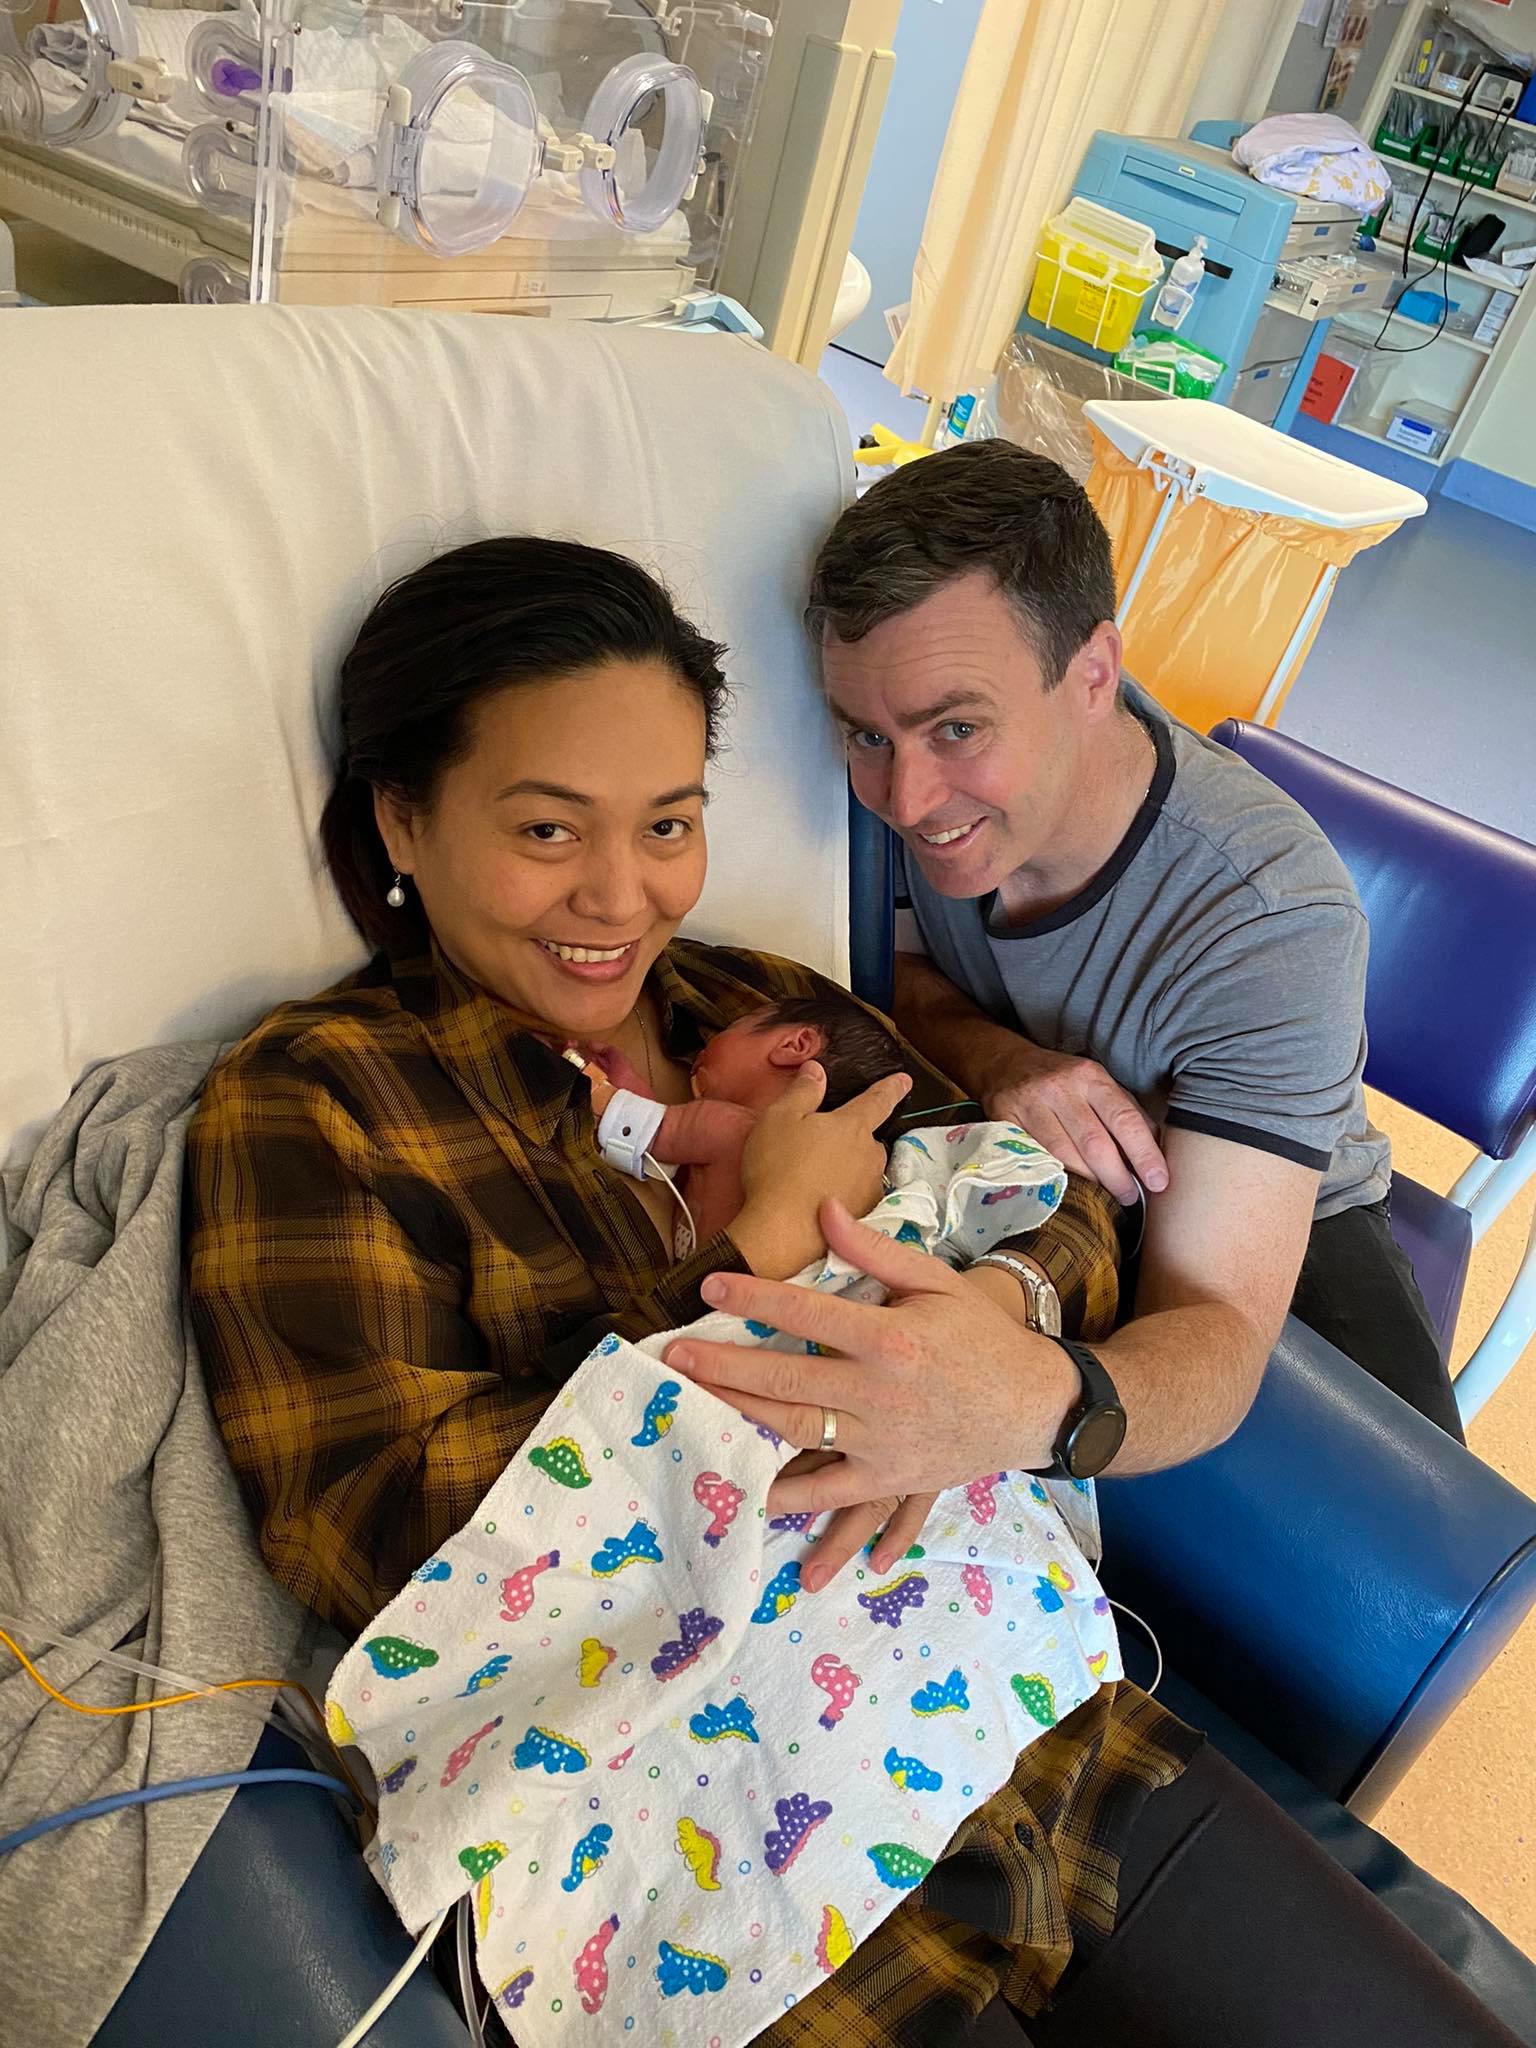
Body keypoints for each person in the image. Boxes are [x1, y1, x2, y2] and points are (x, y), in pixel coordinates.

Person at [184, 537, 1514, 2048]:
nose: (621, 898)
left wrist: (991, 1333)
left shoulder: (757, 1011)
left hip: (1042, 1745)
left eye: (671, 822)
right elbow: (375, 1528)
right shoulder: (320, 1108)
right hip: (731, 1876)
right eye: (549, 830)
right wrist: (743, 1266)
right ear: (402, 819)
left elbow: (1052, 1202)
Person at [784, 434, 1459, 1442]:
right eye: (869, 736)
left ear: (1094, 671)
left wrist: (1017, 1407)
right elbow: (904, 977)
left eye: (959, 729)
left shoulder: (1273, 916)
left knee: (1413, 1550)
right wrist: (1008, 1058)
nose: (906, 799)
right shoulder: (894, 775)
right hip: (1033, 1145)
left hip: (1259, 1185)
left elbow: (1218, 1326)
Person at [573, 992, 914, 1243]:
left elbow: (637, 1129)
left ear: (795, 1046)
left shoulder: (731, 1127)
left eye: (735, 1025)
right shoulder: (835, 1174)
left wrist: (587, 1074)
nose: (705, 1047)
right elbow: (662, 1147)